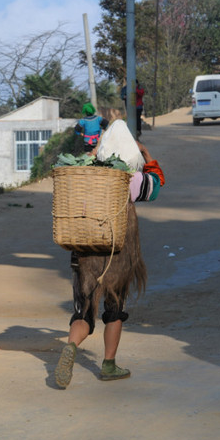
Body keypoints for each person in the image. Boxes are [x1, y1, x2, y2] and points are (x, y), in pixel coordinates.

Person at [54, 141, 165, 389]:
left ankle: (71, 346)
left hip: (84, 253)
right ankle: (109, 364)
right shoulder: (130, 179)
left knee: (83, 311)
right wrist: (147, 154)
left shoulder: (85, 176)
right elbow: (156, 185)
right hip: (116, 256)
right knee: (114, 310)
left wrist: (90, 156)